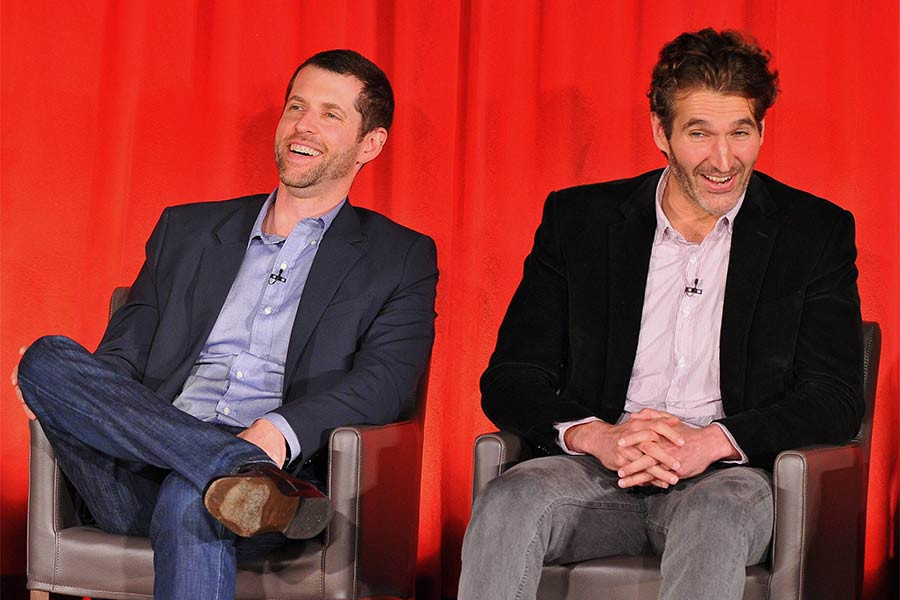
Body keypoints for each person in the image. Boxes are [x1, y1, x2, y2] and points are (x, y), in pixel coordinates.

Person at [12, 49, 437, 600]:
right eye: (296, 106)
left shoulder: (397, 257)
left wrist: (277, 434)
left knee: (197, 497)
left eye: (331, 114)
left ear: (370, 144)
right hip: (137, 471)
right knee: (44, 358)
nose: (303, 124)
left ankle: (232, 474)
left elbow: (385, 381)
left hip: (268, 481)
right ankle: (231, 467)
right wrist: (72, 391)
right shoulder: (186, 230)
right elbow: (122, 355)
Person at [459, 29, 863, 600]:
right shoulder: (579, 222)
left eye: (740, 133)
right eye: (700, 134)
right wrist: (598, 437)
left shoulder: (813, 232)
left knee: (716, 515)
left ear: (761, 130)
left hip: (729, 477)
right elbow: (510, 378)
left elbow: (836, 397)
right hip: (599, 469)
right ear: (661, 133)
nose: (723, 161)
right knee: (510, 498)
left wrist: (713, 442)